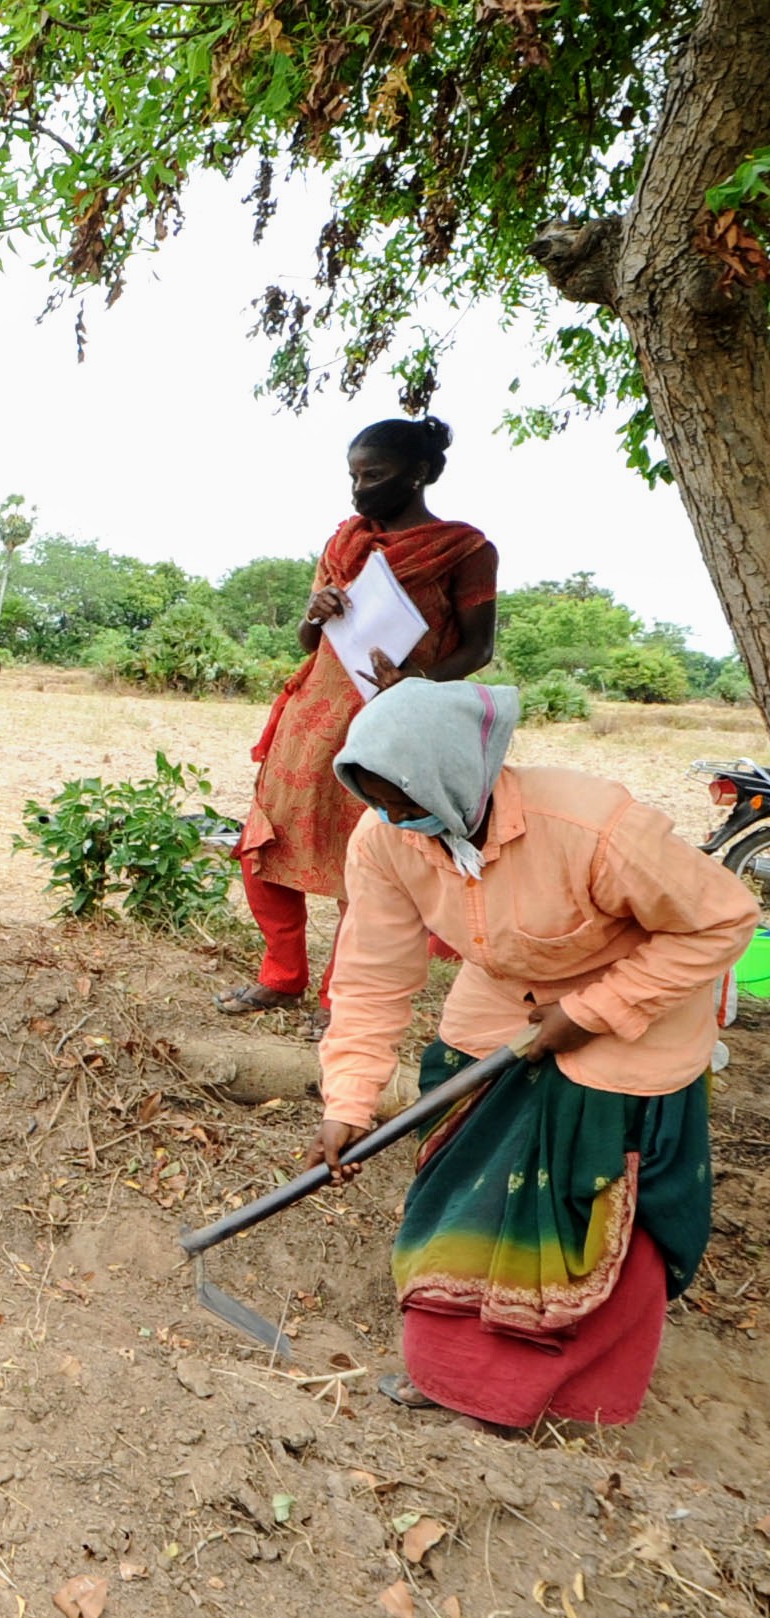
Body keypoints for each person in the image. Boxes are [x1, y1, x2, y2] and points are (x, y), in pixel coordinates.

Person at [314, 679, 749, 1429]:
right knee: (463, 1191)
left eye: (403, 799)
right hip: (501, 1006)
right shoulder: (386, 839)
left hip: (638, 1015)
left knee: (589, 1210)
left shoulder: (592, 825)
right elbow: (372, 975)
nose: (394, 818)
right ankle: (454, 1376)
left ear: (455, 779)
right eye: (377, 801)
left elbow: (721, 922)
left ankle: (565, 1396)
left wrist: (591, 1012)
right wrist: (348, 1097)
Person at [226, 417, 496, 1032]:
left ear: (420, 473)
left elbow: (478, 648)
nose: (360, 490)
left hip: (390, 722)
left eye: (374, 475)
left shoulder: (467, 550)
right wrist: (315, 612)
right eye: (353, 476)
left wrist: (418, 687)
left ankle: (335, 997)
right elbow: (305, 638)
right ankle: (281, 975)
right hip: (311, 715)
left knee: (365, 859)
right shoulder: (344, 542)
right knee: (265, 845)